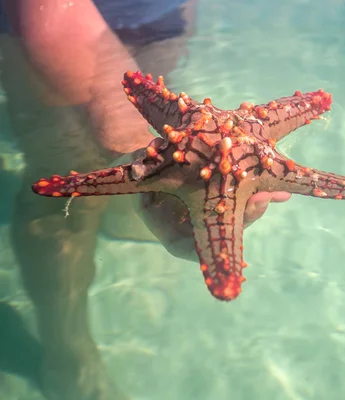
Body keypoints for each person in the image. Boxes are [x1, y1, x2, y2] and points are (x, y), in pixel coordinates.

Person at [0, 1, 290, 399]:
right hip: (41, 24)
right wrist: (158, 157)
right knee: (62, 182)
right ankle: (67, 351)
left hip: (158, 18)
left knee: (124, 170)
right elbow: (51, 15)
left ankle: (131, 209)